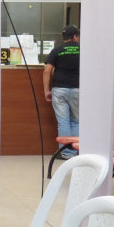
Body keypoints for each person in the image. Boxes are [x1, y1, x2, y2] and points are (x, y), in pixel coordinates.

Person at [43, 25, 80, 159]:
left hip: (59, 89)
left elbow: (47, 70)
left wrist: (47, 90)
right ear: (75, 36)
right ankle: (76, 151)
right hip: (78, 89)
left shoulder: (57, 50)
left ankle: (66, 153)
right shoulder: (83, 49)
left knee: (63, 121)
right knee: (76, 121)